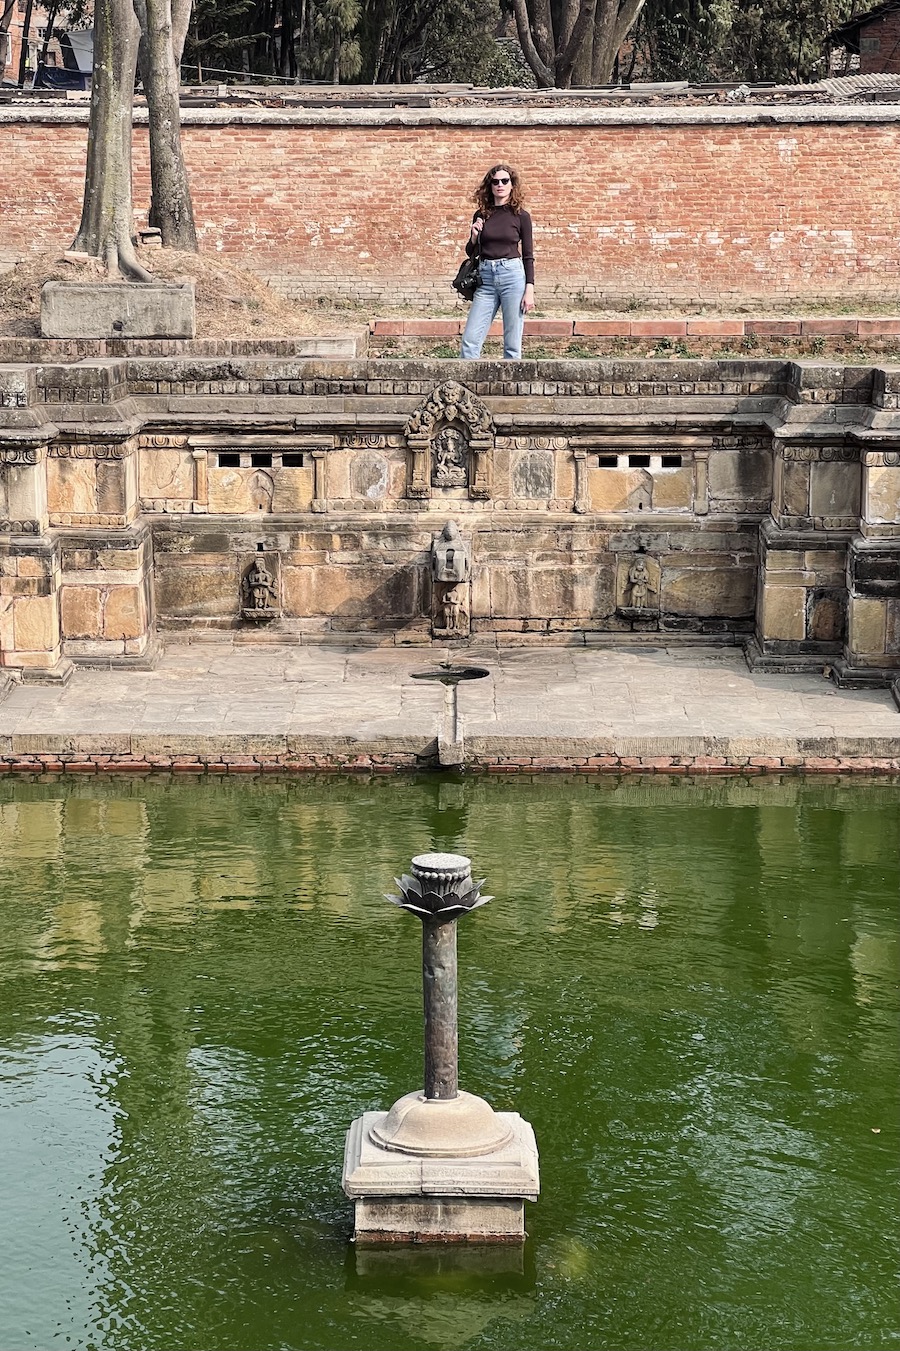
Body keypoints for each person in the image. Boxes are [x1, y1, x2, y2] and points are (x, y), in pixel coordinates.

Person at [460, 163, 535, 361]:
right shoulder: (482, 214)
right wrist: (474, 236)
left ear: (512, 185)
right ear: (490, 186)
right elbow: (471, 251)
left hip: (512, 275)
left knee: (512, 342)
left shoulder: (521, 216)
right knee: (470, 339)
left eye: (504, 181)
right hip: (486, 278)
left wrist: (529, 290)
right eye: (495, 182)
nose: (500, 185)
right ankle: (468, 385)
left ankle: (510, 389)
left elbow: (528, 255)